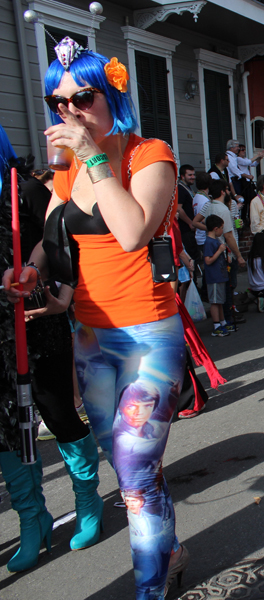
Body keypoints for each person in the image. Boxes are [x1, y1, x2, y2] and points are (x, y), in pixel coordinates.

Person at [1, 39, 188, 598]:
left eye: (81, 97)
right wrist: (27, 274)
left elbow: (132, 232)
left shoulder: (148, 155)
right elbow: (53, 234)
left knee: (132, 473)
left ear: (110, 94)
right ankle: (171, 553)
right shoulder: (66, 174)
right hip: (90, 337)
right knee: (134, 472)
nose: (69, 112)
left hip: (149, 335)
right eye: (58, 103)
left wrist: (94, 156)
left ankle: (150, 588)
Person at [0, 125, 104, 573]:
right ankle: (32, 519)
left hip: (36, 321)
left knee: (58, 411)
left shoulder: (20, 190)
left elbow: (57, 242)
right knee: (4, 427)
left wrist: (44, 283)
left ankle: (87, 502)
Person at [194, 179, 246, 330]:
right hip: (224, 252)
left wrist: (209, 231)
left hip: (217, 247)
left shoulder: (208, 205)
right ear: (223, 191)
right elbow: (229, 236)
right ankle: (227, 318)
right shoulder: (223, 209)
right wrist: (239, 255)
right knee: (228, 285)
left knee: (222, 287)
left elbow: (195, 222)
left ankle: (224, 318)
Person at [203, 215, 230, 336]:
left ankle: (222, 322)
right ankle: (216, 325)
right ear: (215, 229)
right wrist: (219, 251)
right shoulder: (209, 242)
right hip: (214, 276)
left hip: (220, 275)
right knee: (215, 301)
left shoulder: (215, 241)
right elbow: (208, 260)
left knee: (219, 300)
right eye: (221, 228)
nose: (222, 230)